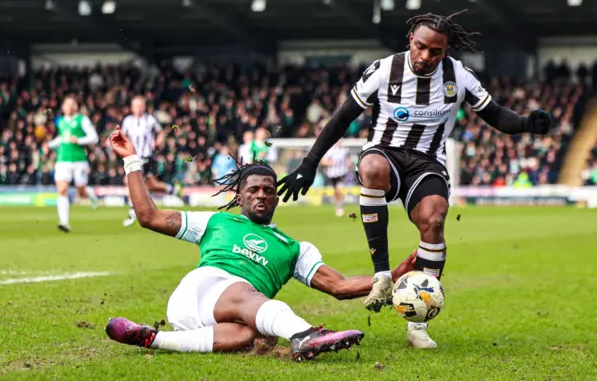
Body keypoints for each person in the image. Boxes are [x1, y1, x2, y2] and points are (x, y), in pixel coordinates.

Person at [277, 10, 551, 349]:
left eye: (435, 51)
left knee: (434, 219)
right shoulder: (383, 70)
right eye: (420, 47)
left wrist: (527, 123)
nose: (425, 57)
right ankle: (381, 275)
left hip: (427, 164)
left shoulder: (458, 76)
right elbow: (341, 118)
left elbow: (494, 114)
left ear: (446, 50)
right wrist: (309, 163)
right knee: (372, 168)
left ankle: (418, 325)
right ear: (410, 40)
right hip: (386, 153)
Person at [105, 125, 417, 361]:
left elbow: (339, 285)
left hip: (221, 320)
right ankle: (303, 335)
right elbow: (148, 216)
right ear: (239, 197)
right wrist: (132, 160)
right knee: (247, 294)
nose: (261, 195)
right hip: (199, 291)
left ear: (277, 197)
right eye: (253, 190)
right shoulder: (216, 221)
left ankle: (155, 339)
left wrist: (390, 276)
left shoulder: (294, 248)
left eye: (268, 190)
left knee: (250, 336)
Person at [121, 95, 178, 227]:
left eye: (140, 105)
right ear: (131, 107)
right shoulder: (128, 120)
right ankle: (172, 189)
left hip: (146, 157)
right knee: (148, 184)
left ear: (144, 107)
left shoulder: (149, 119)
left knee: (134, 182)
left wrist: (158, 141)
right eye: (135, 106)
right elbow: (123, 136)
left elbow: (160, 132)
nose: (138, 108)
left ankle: (132, 212)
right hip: (133, 156)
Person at [47, 96, 99, 232]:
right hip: (62, 159)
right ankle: (64, 222)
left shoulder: (82, 120)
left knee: (81, 192)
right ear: (63, 107)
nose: (69, 107)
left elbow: (94, 137)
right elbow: (62, 138)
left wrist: (79, 140)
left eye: (72, 104)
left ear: (76, 107)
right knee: (62, 190)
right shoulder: (61, 122)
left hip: (79, 160)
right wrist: (50, 145)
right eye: (67, 104)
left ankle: (90, 194)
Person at [321, 140, 350, 217]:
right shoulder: (330, 151)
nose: (339, 142)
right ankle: (338, 204)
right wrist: (330, 163)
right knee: (336, 191)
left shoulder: (344, 150)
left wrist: (349, 164)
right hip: (332, 174)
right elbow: (323, 161)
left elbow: (347, 160)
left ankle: (339, 206)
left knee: (340, 189)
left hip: (342, 173)